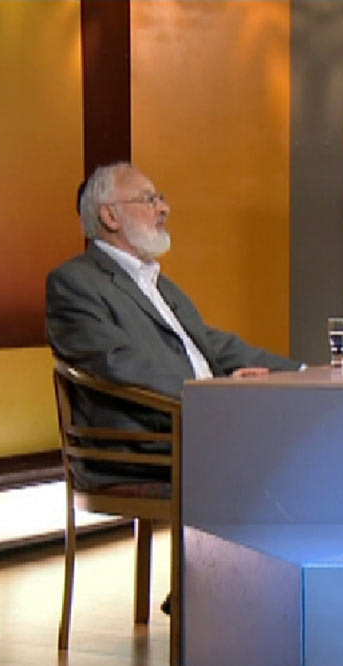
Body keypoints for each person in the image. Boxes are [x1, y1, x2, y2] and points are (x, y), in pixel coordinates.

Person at [47, 162, 302, 490]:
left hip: (199, 426)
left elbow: (209, 343)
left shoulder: (158, 283)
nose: (164, 208)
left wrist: (303, 372)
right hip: (143, 445)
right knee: (287, 454)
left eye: (160, 198)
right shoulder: (74, 282)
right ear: (110, 217)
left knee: (300, 435)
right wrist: (211, 393)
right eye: (148, 200)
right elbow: (116, 363)